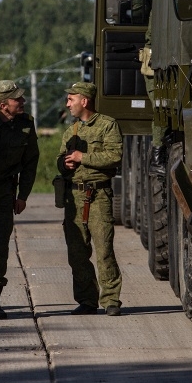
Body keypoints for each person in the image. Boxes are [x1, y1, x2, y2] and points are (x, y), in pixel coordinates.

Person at [57, 81, 123, 316]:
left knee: (104, 249)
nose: (68, 104)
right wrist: (64, 162)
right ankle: (86, 299)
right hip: (73, 196)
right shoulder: (71, 131)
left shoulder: (108, 125)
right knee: (77, 252)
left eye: (71, 99)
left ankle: (111, 299)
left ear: (84, 101)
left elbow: (114, 156)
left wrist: (82, 156)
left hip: (98, 195)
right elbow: (61, 159)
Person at [0, 80, 39, 319]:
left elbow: (31, 161)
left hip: (5, 191)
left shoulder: (26, 125)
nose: (22, 102)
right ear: (3, 105)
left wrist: (23, 195)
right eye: (17, 99)